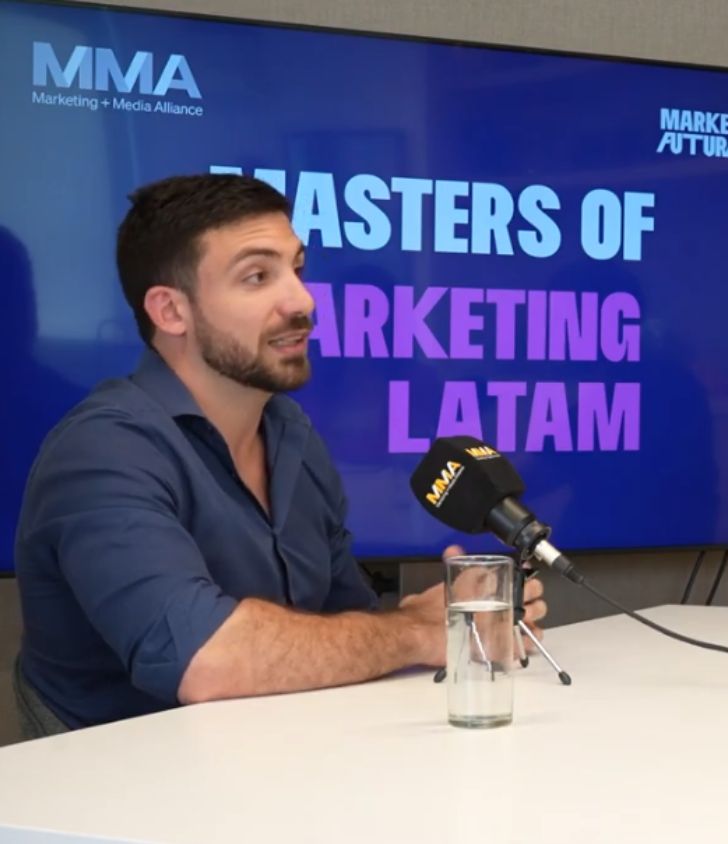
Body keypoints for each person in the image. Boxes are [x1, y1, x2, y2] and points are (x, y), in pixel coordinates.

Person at [13, 173, 546, 736]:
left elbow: (348, 626)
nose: (302, 300)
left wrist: (440, 618)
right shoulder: (100, 452)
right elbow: (204, 660)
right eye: (257, 277)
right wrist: (417, 631)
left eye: (297, 269)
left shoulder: (290, 433)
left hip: (282, 753)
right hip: (125, 779)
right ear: (170, 312)